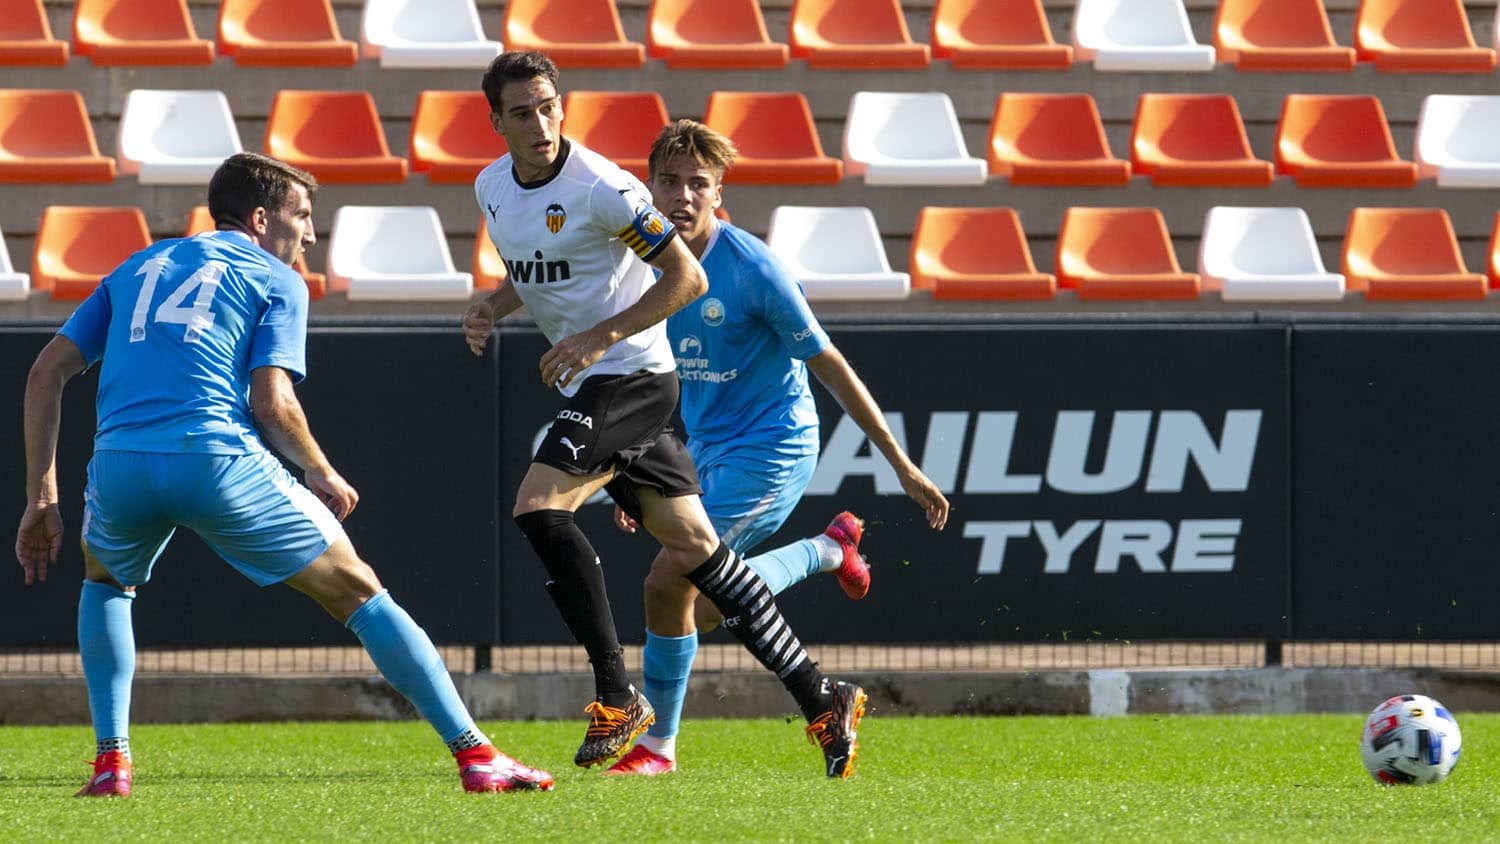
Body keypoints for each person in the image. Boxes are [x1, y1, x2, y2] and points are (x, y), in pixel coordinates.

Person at [14, 152, 553, 797]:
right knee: (358, 591)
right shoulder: (274, 276)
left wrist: (42, 493)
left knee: (106, 585)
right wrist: (320, 469)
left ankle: (111, 763)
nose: (310, 235)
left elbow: (46, 371)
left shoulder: (135, 265)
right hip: (214, 458)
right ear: (262, 217)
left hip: (120, 466)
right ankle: (477, 755)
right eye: (302, 217)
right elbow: (272, 403)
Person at [462, 50, 866, 777]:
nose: (540, 122)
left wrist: (596, 337)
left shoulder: (604, 188)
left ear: (565, 106)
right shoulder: (492, 187)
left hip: (634, 378)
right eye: (521, 112)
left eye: (549, 105)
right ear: (496, 121)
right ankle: (821, 695)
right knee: (699, 556)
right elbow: (542, 268)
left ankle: (620, 696)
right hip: (608, 379)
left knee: (537, 506)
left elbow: (688, 274)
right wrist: (494, 302)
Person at [604, 120, 952, 776]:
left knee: (670, 581)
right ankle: (828, 551)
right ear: (648, 187)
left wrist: (899, 462)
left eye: (696, 184)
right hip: (703, 446)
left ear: (718, 195)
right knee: (685, 599)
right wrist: (633, 465)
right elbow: (644, 374)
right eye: (669, 181)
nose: (681, 195)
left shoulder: (753, 268)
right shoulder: (641, 260)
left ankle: (657, 748)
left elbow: (831, 364)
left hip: (773, 449)